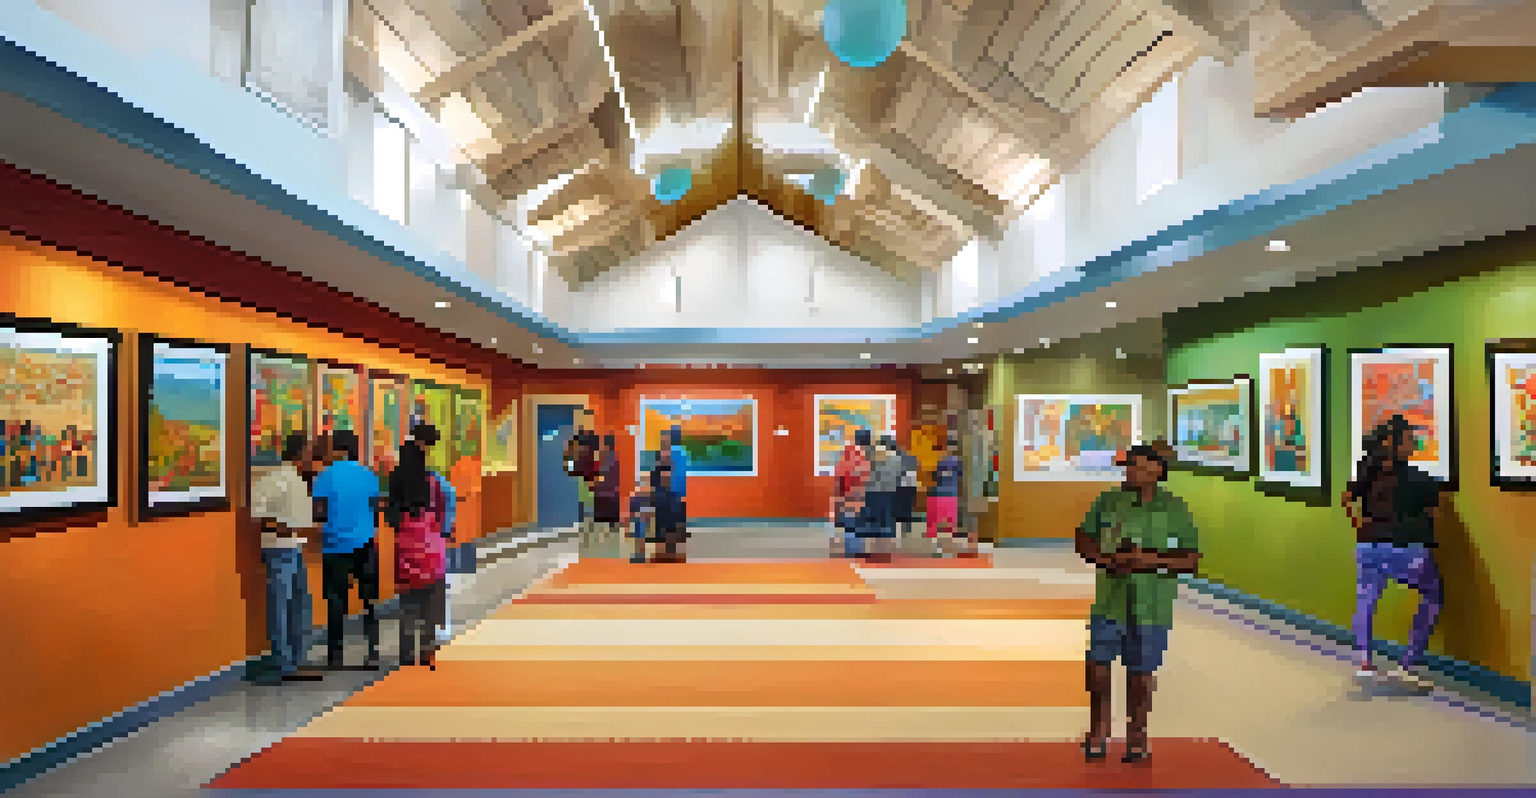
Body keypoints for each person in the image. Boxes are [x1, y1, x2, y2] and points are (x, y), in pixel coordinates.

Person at [1075, 440, 1200, 764]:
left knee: (1141, 672)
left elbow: (1190, 561)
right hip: (1110, 600)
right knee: (1097, 665)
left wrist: (1149, 560)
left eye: (1141, 466)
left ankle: (1137, 734)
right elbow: (1083, 537)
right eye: (1130, 465)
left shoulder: (1175, 509)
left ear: (1158, 471)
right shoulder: (1109, 502)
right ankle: (1098, 728)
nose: (1132, 471)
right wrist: (1104, 559)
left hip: (1152, 605)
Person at [1341, 414, 1443, 689]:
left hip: (1368, 545)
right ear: (1395, 443)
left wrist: (1360, 526)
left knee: (1366, 599)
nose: (1414, 443)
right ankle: (1407, 665)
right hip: (1406, 549)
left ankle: (1365, 661)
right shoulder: (1420, 479)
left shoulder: (1367, 472)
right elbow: (1435, 514)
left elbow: (1346, 500)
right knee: (1433, 595)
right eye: (1410, 439)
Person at [250, 432, 323, 683]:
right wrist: (285, 528)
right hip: (279, 548)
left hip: (294, 548)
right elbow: (258, 514)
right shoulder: (275, 479)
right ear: (299, 453)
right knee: (280, 606)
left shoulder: (299, 480)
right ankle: (284, 663)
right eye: (309, 451)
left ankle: (296, 659)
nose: (312, 457)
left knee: (300, 604)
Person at [313, 429, 383, 671]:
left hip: (334, 546)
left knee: (335, 601)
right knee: (369, 600)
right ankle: (372, 651)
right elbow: (375, 512)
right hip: (365, 543)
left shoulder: (325, 476)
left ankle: (335, 656)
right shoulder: (369, 476)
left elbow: (319, 511)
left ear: (339, 450)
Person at [391, 424, 450, 668]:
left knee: (408, 602)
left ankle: (406, 653)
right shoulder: (434, 483)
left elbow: (391, 516)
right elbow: (443, 516)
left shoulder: (396, 476)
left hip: (405, 547)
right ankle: (427, 650)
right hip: (431, 550)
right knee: (430, 601)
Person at [865, 434, 903, 562]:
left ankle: (876, 552)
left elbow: (871, 474)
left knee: (875, 521)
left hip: (874, 492)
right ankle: (886, 553)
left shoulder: (875, 457)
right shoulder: (898, 460)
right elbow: (899, 477)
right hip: (890, 493)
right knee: (887, 521)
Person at [830, 436, 868, 559]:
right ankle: (857, 549)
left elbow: (838, 483)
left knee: (849, 525)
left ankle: (850, 549)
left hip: (846, 497)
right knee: (859, 524)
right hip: (859, 497)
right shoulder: (863, 462)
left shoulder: (842, 464)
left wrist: (838, 499)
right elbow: (866, 480)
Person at [928, 436, 963, 557]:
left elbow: (935, 477)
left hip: (939, 494)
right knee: (951, 522)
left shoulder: (940, 462)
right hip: (951, 495)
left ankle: (938, 548)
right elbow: (960, 477)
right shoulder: (957, 462)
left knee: (938, 522)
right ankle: (949, 549)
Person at [651, 460, 687, 563]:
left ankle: (669, 546)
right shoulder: (658, 492)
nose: (666, 475)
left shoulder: (674, 492)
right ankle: (664, 548)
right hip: (662, 517)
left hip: (670, 517)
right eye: (664, 472)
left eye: (668, 472)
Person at [592, 434, 623, 547]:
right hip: (613, 491)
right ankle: (612, 541)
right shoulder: (616, 457)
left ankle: (603, 540)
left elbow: (599, 473)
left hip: (603, 491)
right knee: (612, 522)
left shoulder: (602, 457)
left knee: (602, 521)